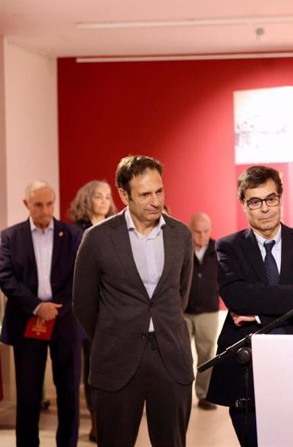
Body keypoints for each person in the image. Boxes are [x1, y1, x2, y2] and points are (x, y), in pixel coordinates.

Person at [72, 155, 194, 447]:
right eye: (145, 194)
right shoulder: (96, 238)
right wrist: (112, 335)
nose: (155, 201)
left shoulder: (181, 234)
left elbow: (181, 295)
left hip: (171, 358)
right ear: (124, 195)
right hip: (116, 359)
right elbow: (83, 303)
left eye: (159, 191)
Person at [206, 165, 293, 447]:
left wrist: (258, 312)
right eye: (255, 201)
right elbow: (235, 296)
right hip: (246, 368)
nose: (265, 208)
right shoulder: (228, 247)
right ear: (244, 204)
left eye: (271, 198)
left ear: (280, 197)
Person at [0, 181, 83, 447]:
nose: (45, 210)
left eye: (49, 203)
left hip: (65, 321)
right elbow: (5, 277)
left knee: (68, 392)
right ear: (26, 205)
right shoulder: (10, 237)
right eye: (38, 205)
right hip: (27, 322)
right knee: (28, 395)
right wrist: (37, 306)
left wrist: (56, 306)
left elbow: (79, 276)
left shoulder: (72, 235)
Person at [67, 179, 116, 442]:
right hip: (87, 311)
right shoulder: (75, 232)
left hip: (116, 309)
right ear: (87, 199)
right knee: (92, 368)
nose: (104, 200)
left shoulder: (117, 229)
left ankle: (114, 417)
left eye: (108, 196)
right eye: (99, 196)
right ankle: (96, 420)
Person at [184, 212, 220, 410]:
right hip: (184, 311)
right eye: (197, 232)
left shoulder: (218, 249)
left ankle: (204, 394)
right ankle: (180, 394)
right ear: (190, 231)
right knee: (181, 355)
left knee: (207, 354)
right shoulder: (182, 249)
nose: (201, 236)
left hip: (209, 311)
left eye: (205, 231)